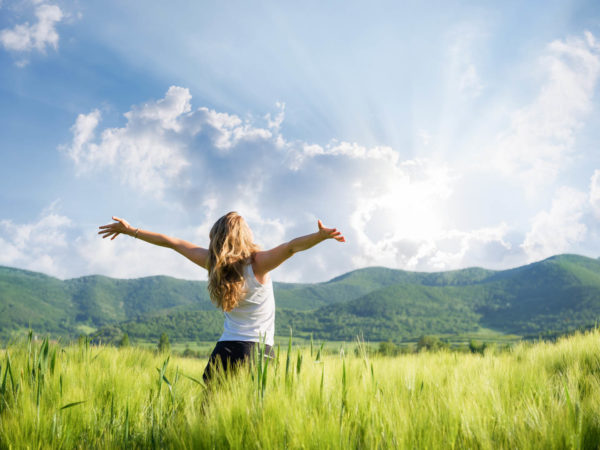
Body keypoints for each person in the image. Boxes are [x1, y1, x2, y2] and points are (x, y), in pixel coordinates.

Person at [98, 212, 345, 382]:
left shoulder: (213, 264)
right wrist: (320, 237)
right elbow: (291, 247)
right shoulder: (259, 263)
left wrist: (131, 231)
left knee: (209, 418)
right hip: (259, 353)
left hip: (225, 352)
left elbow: (173, 242)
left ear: (216, 237)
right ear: (245, 235)